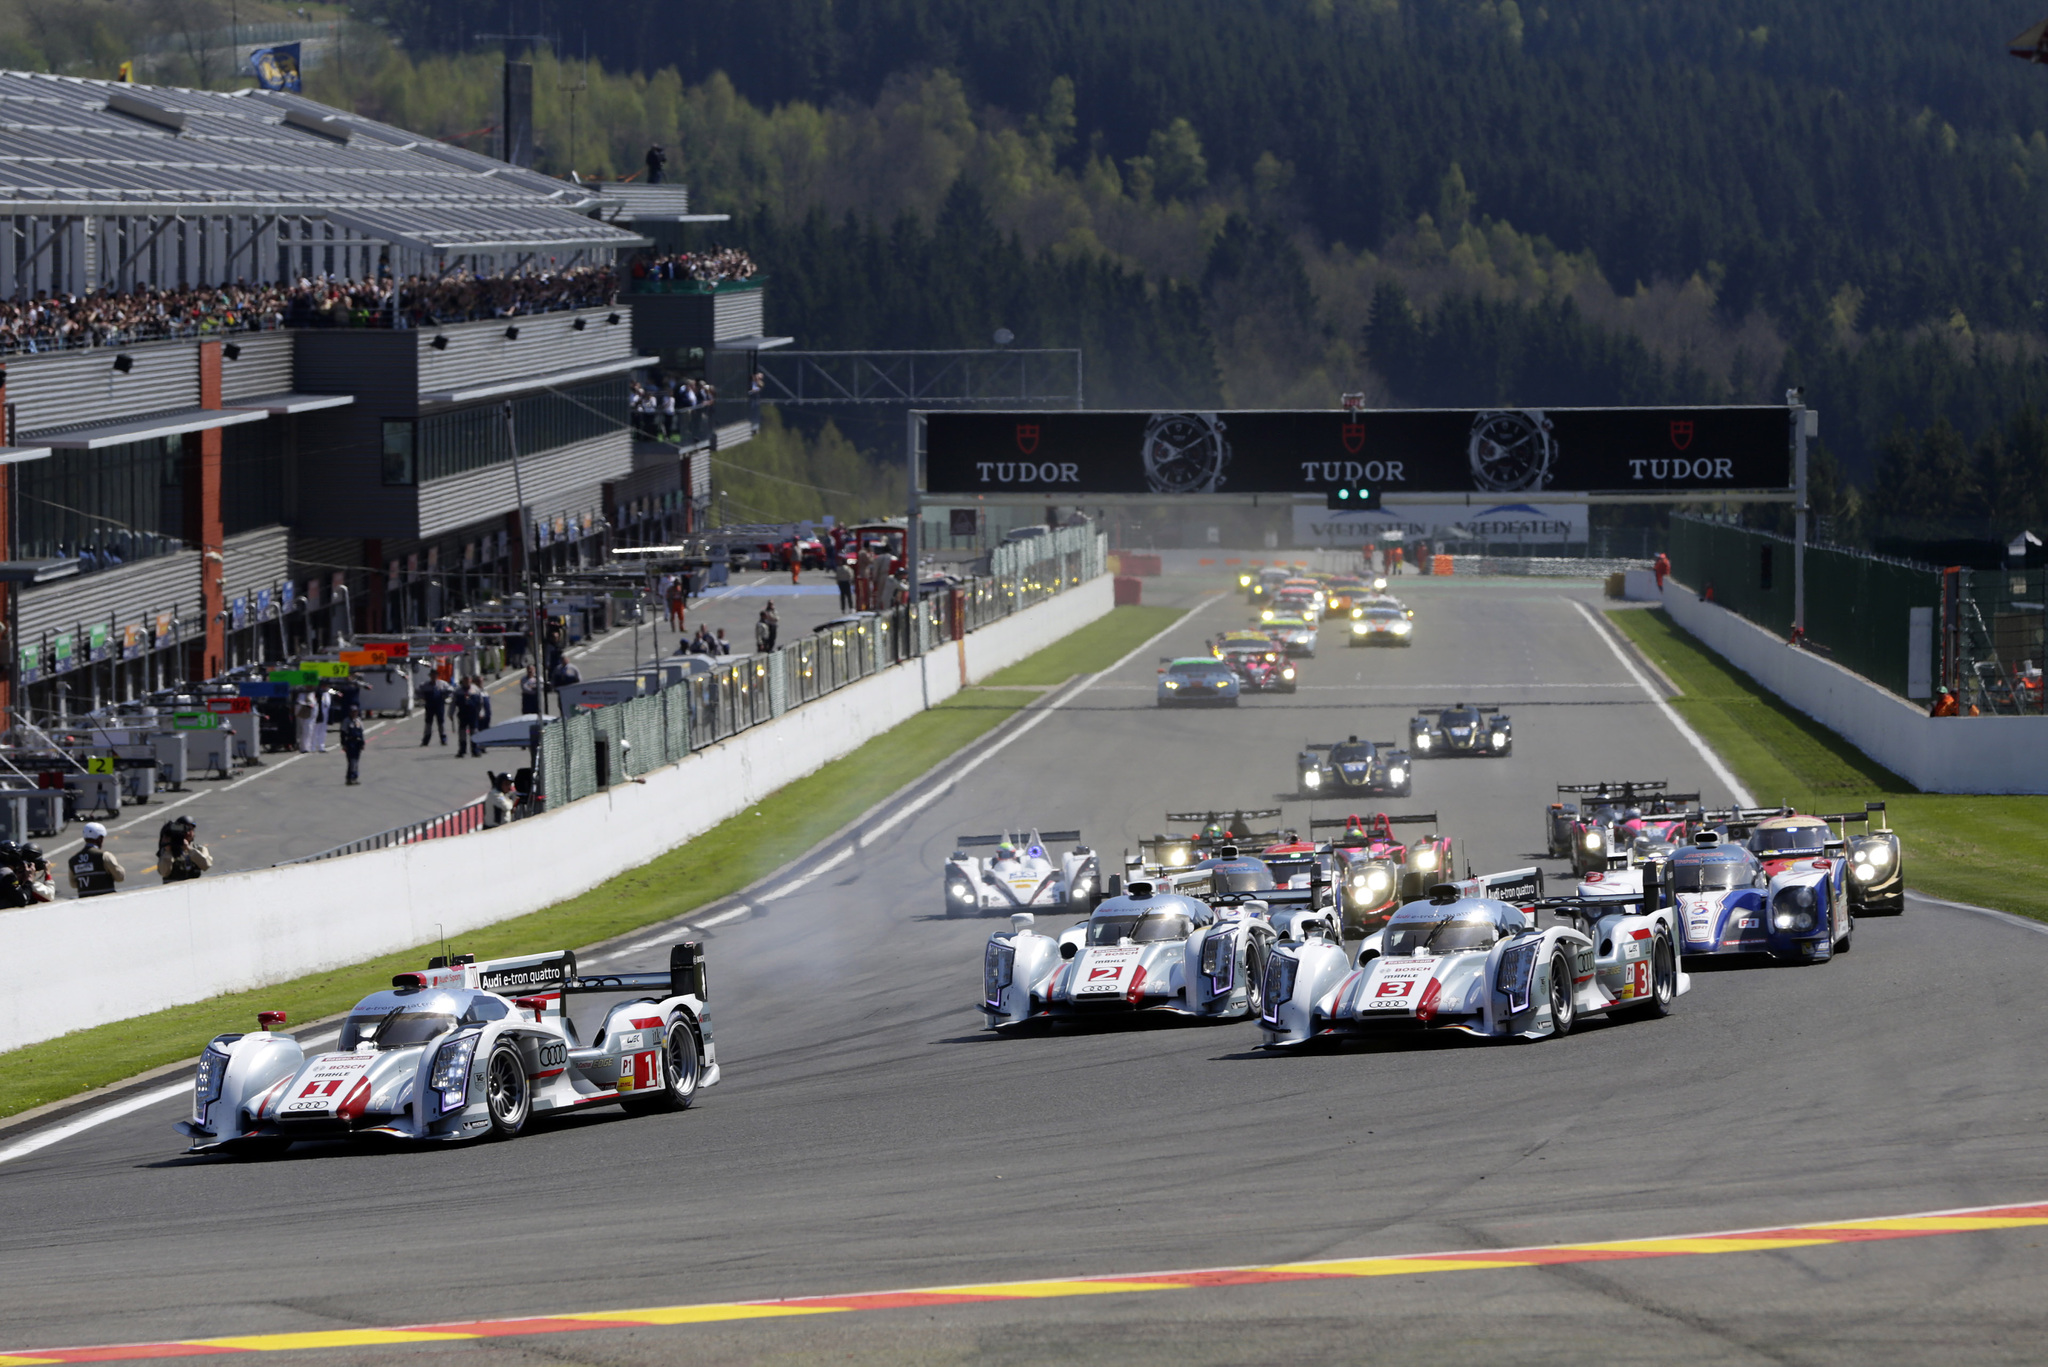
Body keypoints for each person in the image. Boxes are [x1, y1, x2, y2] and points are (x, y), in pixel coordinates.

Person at [68, 821, 125, 898]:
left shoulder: (73, 860)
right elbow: (120, 877)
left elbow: (73, 884)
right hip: (106, 900)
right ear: (100, 839)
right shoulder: (104, 856)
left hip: (84, 901)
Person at [156, 816, 212, 883]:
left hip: (193, 886)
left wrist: (189, 849)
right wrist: (168, 851)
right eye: (185, 830)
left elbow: (206, 865)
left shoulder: (199, 849)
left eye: (190, 829)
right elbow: (164, 873)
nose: (188, 833)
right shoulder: (168, 851)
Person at [419, 670, 452, 746]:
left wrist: (445, 696)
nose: (433, 677)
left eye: (435, 675)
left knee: (441, 723)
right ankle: (426, 740)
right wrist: (423, 698)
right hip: (429, 706)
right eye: (432, 675)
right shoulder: (425, 685)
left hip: (439, 706)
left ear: (437, 676)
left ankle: (443, 739)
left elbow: (451, 690)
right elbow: (418, 692)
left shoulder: (442, 684)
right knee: (428, 723)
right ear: (430, 676)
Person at [339, 705, 366, 784]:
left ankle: (354, 777)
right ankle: (351, 777)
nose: (354, 713)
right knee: (352, 761)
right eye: (353, 712)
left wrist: (362, 743)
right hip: (350, 743)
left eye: (355, 712)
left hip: (357, 743)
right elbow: (343, 734)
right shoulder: (346, 721)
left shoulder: (358, 721)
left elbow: (361, 733)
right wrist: (343, 744)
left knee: (356, 761)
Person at [307, 682, 334, 753]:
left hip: (326, 713)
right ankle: (312, 746)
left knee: (323, 730)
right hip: (319, 712)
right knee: (316, 730)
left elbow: (334, 692)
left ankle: (321, 746)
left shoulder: (328, 691)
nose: (325, 686)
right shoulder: (318, 691)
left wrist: (337, 692)